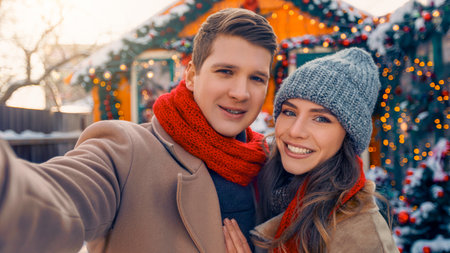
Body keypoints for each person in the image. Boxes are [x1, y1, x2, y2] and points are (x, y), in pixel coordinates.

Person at [0, 8, 277, 253]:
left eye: (256, 78)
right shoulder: (126, 151)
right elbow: (52, 204)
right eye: (225, 71)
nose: (241, 93)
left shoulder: (270, 166)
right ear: (191, 76)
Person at [223, 48, 399, 253]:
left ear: (348, 136)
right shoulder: (259, 181)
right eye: (289, 112)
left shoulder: (362, 235)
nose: (296, 131)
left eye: (321, 118)